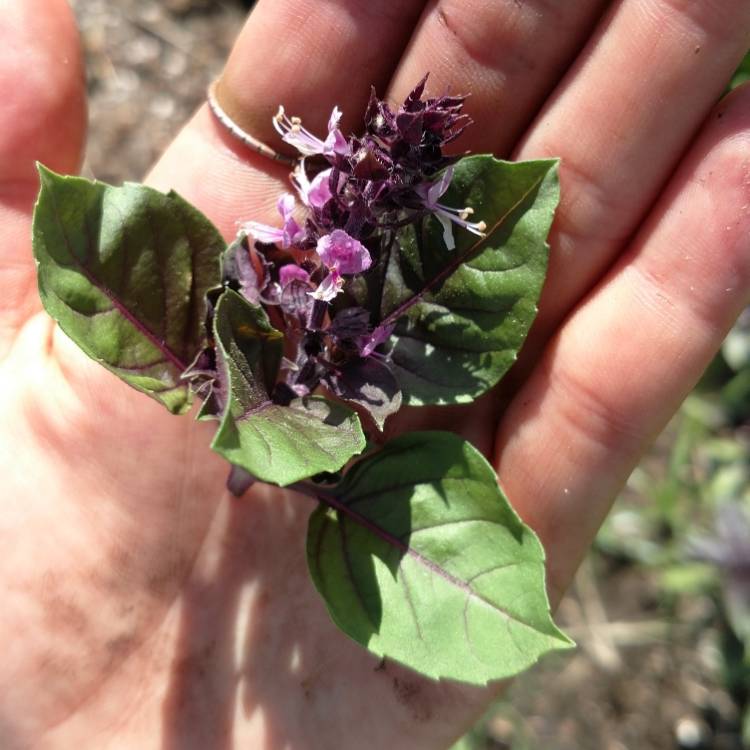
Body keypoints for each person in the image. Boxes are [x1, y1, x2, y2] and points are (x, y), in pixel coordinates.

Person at [1, 0, 748, 747]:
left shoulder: (357, 280)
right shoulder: (291, 284)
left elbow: (320, 312)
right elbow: (259, 291)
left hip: (316, 368)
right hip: (273, 383)